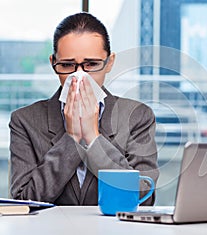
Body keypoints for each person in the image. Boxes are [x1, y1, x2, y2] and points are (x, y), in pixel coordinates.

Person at [9, 12, 159, 205]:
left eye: (91, 64)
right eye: (67, 65)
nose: (79, 76)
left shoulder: (137, 117)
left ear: (109, 62)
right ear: (53, 63)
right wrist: (71, 139)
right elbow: (24, 200)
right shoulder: (25, 121)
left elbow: (144, 199)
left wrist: (93, 138)